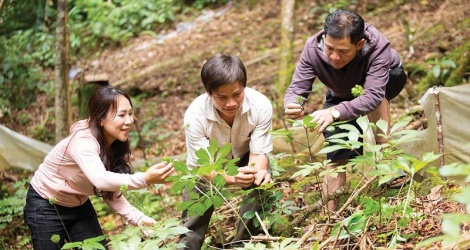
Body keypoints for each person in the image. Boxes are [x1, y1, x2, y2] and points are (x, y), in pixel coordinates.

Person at [23, 86, 176, 249]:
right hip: (46, 203)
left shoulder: (113, 142)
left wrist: (137, 217)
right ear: (101, 119)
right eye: (122, 115)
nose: (129, 120)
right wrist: (144, 179)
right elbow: (101, 180)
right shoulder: (83, 143)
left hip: (78, 204)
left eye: (130, 113)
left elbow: (109, 189)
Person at [284, 9, 407, 210]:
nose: (334, 56)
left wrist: (334, 112)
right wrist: (293, 103)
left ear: (359, 45)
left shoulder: (378, 47)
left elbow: (373, 96)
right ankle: (329, 214)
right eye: (330, 48)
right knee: (336, 151)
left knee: (377, 96)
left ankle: (387, 164)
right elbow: (298, 88)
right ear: (324, 36)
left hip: (386, 80)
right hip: (342, 92)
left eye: (342, 51)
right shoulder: (312, 47)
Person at [178, 54, 273, 249]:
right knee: (193, 216)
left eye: (237, 94)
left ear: (244, 87)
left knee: (260, 187)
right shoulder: (194, 116)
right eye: (222, 97)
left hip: (245, 156)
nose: (231, 103)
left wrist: (257, 172)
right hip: (207, 165)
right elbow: (204, 168)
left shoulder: (260, 105)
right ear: (209, 92)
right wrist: (231, 179)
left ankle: (243, 243)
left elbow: (258, 154)